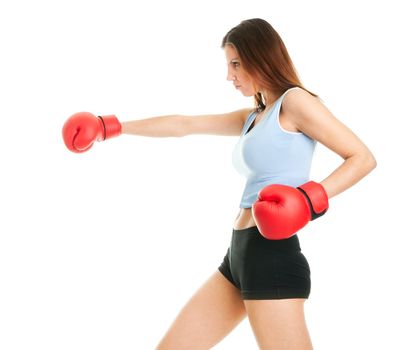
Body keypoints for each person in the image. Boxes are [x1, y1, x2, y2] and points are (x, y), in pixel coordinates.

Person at [62, 18, 377, 350]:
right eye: (229, 65)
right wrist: (110, 127)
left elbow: (362, 157)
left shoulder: (294, 102)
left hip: (272, 257)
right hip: (239, 257)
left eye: (236, 63)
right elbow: (184, 124)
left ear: (262, 56)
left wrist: (309, 199)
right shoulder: (253, 116)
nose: (230, 75)